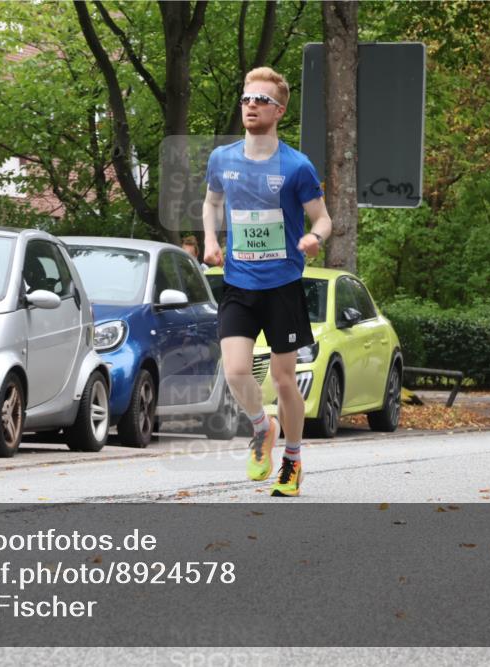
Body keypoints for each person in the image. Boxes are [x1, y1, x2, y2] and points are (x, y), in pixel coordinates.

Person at [202, 66, 332, 497]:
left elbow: (323, 219)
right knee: (237, 370)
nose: (251, 105)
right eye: (246, 99)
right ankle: (262, 427)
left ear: (279, 111)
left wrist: (313, 238)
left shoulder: (297, 166)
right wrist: (210, 240)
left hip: (282, 286)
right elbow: (211, 203)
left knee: (283, 379)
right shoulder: (222, 159)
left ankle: (292, 460)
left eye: (261, 100)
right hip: (239, 283)